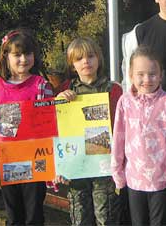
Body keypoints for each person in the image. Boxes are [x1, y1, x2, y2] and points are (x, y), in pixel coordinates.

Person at [0, 29, 54, 225]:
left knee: (34, 211)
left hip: (34, 156)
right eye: (17, 54)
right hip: (7, 156)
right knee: (13, 212)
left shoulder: (41, 85)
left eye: (28, 54)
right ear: (6, 56)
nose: (23, 59)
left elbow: (50, 117)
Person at [55, 37, 128, 226]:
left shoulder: (114, 89)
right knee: (80, 215)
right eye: (79, 58)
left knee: (107, 215)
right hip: (76, 165)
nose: (85, 61)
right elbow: (54, 127)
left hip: (104, 166)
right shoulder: (64, 89)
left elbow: (123, 128)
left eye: (90, 56)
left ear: (99, 59)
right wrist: (59, 101)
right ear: (72, 64)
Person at [111, 45, 166, 226]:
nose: (147, 79)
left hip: (161, 179)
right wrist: (117, 171)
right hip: (133, 178)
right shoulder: (125, 101)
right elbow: (118, 137)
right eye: (140, 74)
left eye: (152, 74)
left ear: (161, 75)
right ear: (131, 75)